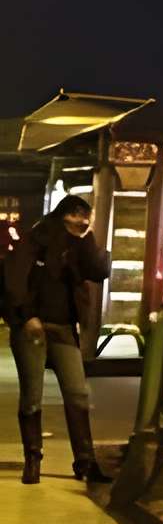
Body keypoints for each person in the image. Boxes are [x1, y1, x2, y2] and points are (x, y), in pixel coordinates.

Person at [5, 194, 112, 486]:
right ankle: (33, 460)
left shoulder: (80, 245)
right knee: (32, 396)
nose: (82, 221)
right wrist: (26, 316)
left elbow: (99, 271)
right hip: (32, 328)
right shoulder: (36, 239)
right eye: (76, 214)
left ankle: (86, 463)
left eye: (86, 216)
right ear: (62, 214)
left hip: (64, 328)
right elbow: (14, 280)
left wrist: (88, 239)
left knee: (78, 393)